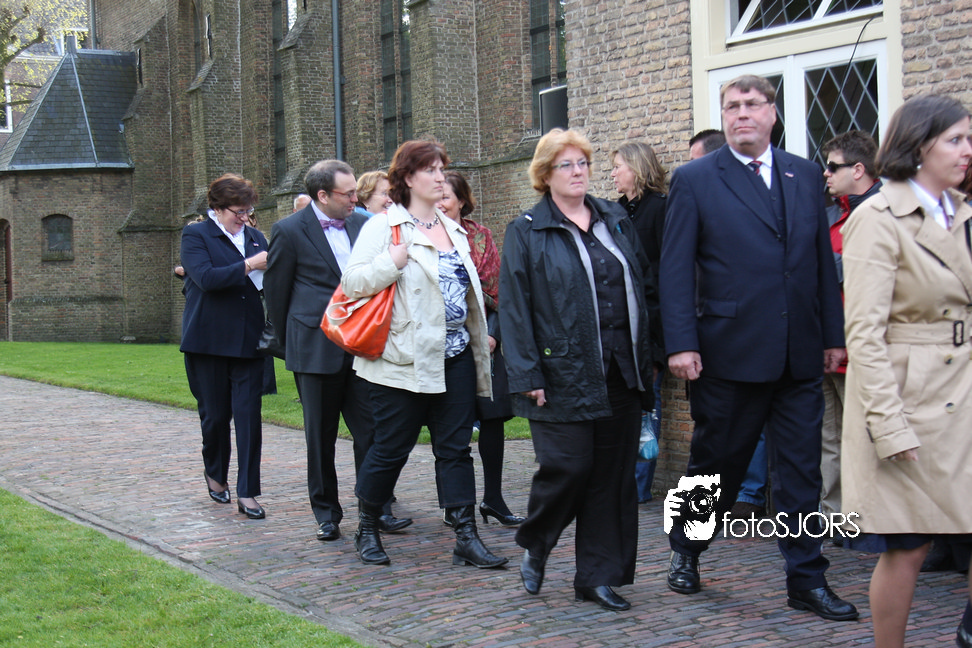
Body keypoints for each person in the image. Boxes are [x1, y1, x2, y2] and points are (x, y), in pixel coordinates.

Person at [660, 74, 857, 621]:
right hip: (729, 351)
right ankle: (686, 548)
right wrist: (681, 343)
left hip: (799, 352)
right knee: (716, 465)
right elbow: (675, 268)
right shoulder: (696, 178)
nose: (741, 113)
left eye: (751, 104)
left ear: (772, 112)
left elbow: (820, 264)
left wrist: (833, 336)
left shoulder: (803, 174)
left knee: (801, 471)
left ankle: (806, 579)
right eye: (731, 106)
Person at [500, 128, 660, 611]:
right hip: (560, 372)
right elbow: (515, 307)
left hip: (621, 371)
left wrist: (653, 352)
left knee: (612, 478)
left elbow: (644, 285)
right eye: (565, 165)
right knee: (569, 467)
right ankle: (537, 540)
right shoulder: (527, 230)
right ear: (545, 175)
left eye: (583, 163)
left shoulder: (614, 218)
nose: (577, 172)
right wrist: (527, 374)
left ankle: (597, 577)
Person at [841, 94, 972, 648]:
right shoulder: (877, 217)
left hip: (963, 390)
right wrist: (888, 425)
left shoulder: (962, 212)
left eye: (969, 138)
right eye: (956, 139)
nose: (967, 150)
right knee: (909, 545)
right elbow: (864, 333)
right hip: (910, 398)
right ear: (919, 146)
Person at [342, 139, 506, 570]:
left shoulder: (453, 229)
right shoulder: (385, 227)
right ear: (408, 178)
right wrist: (391, 263)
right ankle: (367, 527)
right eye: (430, 170)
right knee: (390, 448)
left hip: (455, 356)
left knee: (455, 449)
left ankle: (466, 536)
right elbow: (352, 283)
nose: (440, 177)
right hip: (402, 360)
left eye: (441, 169)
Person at [264, 160, 411, 543]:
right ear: (322, 195)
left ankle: (375, 509)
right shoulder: (288, 230)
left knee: (373, 433)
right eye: (347, 194)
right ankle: (327, 514)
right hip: (315, 349)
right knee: (320, 437)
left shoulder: (365, 225)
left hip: (364, 347)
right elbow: (276, 296)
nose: (354, 199)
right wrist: (293, 346)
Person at [179, 173, 268, 519]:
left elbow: (268, 283)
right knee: (215, 417)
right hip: (208, 340)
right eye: (238, 211)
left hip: (249, 340)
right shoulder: (196, 235)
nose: (244, 217)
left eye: (248, 211)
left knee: (249, 418)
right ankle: (215, 473)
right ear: (217, 208)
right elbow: (206, 278)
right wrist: (249, 265)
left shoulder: (257, 238)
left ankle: (248, 492)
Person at [437, 170, 524, 526]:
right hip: (446, 344)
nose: (439, 203)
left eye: (446, 196)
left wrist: (494, 336)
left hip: (486, 339)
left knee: (492, 417)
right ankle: (454, 504)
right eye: (435, 196)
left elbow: (500, 291)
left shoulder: (481, 237)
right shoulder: (426, 237)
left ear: (461, 201)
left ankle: (494, 499)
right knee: (451, 425)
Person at [818, 130, 882, 523]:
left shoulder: (885, 213)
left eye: (832, 166)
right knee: (829, 437)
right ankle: (834, 516)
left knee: (866, 436)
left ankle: (868, 516)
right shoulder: (830, 215)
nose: (825, 174)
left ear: (858, 170)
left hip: (861, 346)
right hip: (826, 346)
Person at [610, 141, 667, 503]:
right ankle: (620, 480)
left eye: (618, 166)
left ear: (637, 167)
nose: (613, 173)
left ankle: (638, 486)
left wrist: (661, 340)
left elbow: (665, 272)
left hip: (652, 324)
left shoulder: (660, 209)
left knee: (648, 402)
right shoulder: (613, 212)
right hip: (620, 325)